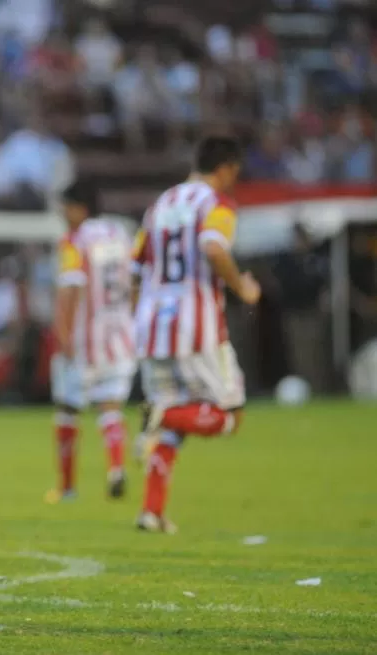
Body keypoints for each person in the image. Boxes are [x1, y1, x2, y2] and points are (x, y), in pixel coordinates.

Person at [132, 136, 261, 534]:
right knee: (228, 415)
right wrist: (243, 288)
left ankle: (151, 512)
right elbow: (213, 245)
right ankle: (161, 414)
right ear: (226, 168)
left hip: (154, 324)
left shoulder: (161, 205)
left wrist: (145, 315)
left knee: (174, 428)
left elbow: (137, 268)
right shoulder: (215, 204)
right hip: (198, 325)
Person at [48, 180, 134, 504]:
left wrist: (64, 334)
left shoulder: (75, 240)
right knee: (110, 406)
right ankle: (115, 466)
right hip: (120, 336)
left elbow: (70, 288)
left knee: (68, 408)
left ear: (79, 208)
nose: (62, 215)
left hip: (85, 339)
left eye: (65, 207)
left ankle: (67, 488)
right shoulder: (121, 234)